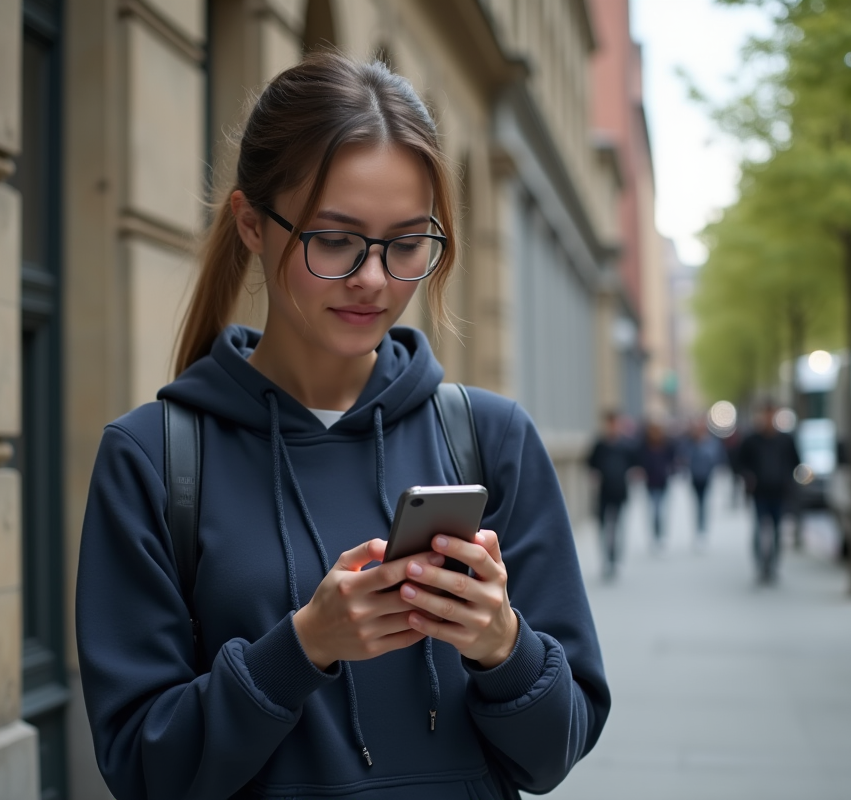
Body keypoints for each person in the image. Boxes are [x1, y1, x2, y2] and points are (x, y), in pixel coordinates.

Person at [75, 54, 609, 800]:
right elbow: (143, 766)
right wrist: (301, 648)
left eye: (406, 242)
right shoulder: (154, 458)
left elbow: (553, 755)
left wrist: (502, 646)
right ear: (251, 225)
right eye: (335, 239)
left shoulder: (491, 438)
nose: (374, 279)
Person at [738, 405, 801, 583]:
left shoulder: (785, 440)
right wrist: (748, 477)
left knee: (777, 531)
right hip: (759, 492)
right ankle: (760, 565)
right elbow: (740, 463)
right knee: (759, 529)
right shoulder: (751, 440)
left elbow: (795, 462)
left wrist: (789, 480)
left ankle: (772, 566)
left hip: (780, 492)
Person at [587, 410, 636, 580]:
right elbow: (590, 464)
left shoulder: (626, 445)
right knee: (603, 528)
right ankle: (606, 560)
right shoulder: (600, 444)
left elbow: (634, 464)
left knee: (617, 526)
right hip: (603, 492)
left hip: (619, 491)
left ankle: (615, 559)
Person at [682, 419, 724, 541]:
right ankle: (699, 528)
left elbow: (716, 457)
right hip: (694, 476)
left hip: (707, 476)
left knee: (704, 503)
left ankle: (702, 529)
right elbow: (684, 457)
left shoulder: (711, 442)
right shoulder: (690, 442)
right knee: (697, 503)